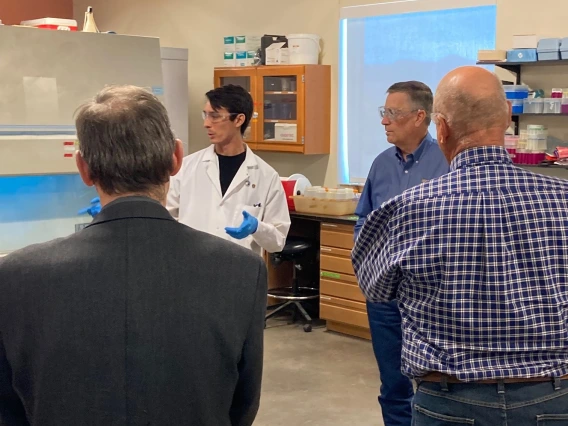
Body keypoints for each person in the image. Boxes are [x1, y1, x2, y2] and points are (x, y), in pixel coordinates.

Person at [0, 85, 267, 426]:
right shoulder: (242, 271)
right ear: (175, 158)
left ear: (83, 168)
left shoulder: (17, 275)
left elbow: (10, 410)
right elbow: (241, 407)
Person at [352, 66, 568, 425]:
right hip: (553, 397)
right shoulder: (563, 201)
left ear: (442, 126)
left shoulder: (408, 209)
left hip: (449, 400)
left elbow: (374, 286)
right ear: (508, 119)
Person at [354, 81, 448, 426]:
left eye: (392, 113)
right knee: (393, 383)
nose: (384, 121)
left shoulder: (447, 163)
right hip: (385, 298)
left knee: (435, 383)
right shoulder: (381, 164)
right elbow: (364, 219)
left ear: (420, 116)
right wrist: (366, 266)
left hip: (430, 295)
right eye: (384, 112)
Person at [167, 84, 290, 256]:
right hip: (192, 265)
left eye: (215, 116)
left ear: (239, 120)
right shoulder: (186, 168)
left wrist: (257, 227)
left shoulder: (266, 176)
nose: (206, 124)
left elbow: (277, 242)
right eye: (206, 115)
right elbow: (166, 219)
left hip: (239, 270)